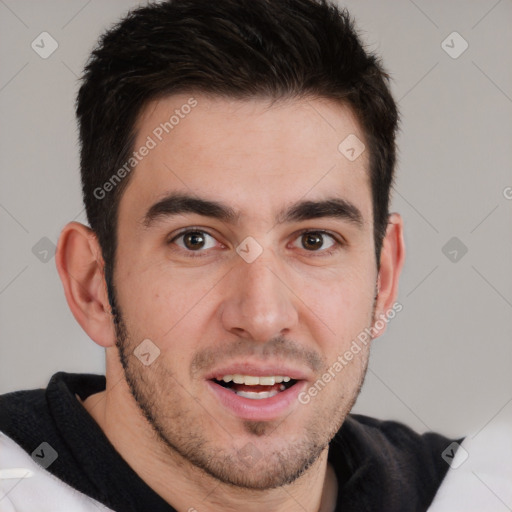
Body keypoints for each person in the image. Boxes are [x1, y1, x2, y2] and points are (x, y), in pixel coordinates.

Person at [0, 1, 464, 510]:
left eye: (314, 240)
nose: (262, 316)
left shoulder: (472, 491)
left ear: (384, 277)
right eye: (195, 240)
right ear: (92, 286)